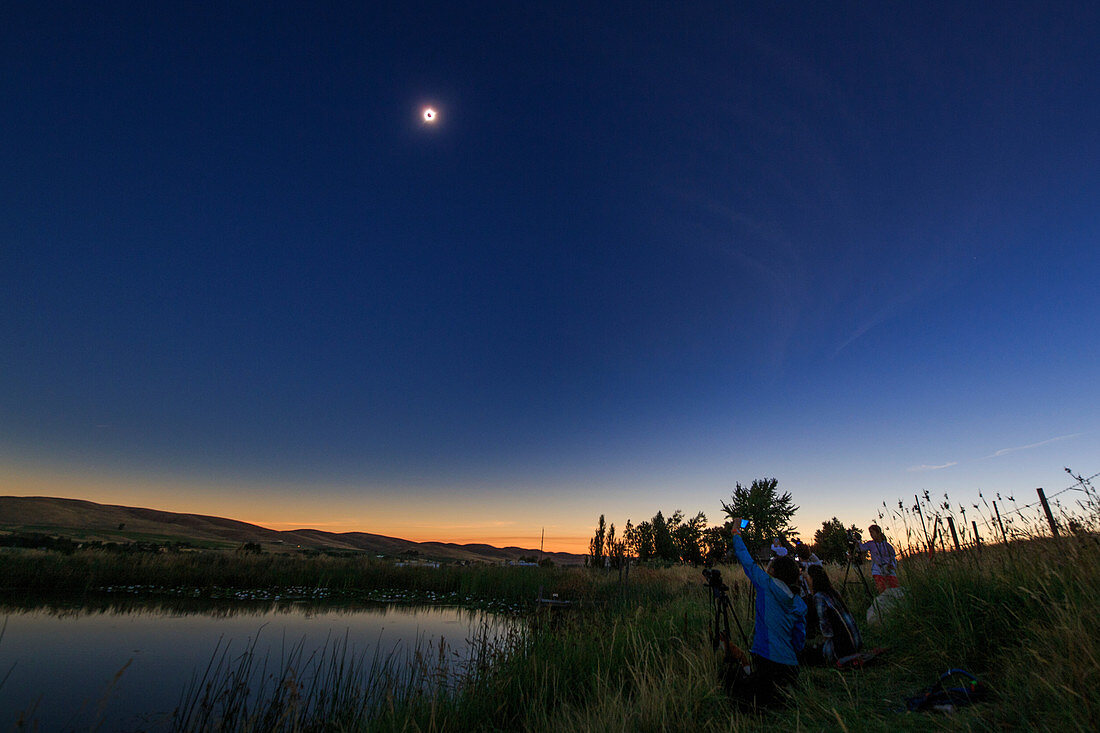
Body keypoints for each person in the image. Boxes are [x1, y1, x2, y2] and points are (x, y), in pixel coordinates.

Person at [727, 518, 806, 708]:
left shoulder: (765, 584)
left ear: (775, 572)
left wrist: (736, 532)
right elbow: (799, 640)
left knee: (740, 693)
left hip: (767, 660)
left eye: (771, 565)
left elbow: (745, 558)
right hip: (791, 666)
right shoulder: (800, 603)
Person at [800, 564, 862, 665]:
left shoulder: (819, 598)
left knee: (805, 653)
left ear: (813, 579)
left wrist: (822, 642)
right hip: (856, 643)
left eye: (808, 578)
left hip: (839, 651)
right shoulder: (834, 592)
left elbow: (826, 629)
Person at [859, 524, 899, 592]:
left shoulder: (887, 546)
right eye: (870, 532)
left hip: (888, 570)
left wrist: (892, 565)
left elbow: (893, 558)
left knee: (894, 589)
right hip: (877, 570)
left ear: (878, 532)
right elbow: (861, 548)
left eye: (872, 532)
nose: (871, 534)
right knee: (882, 590)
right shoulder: (870, 544)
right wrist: (858, 541)